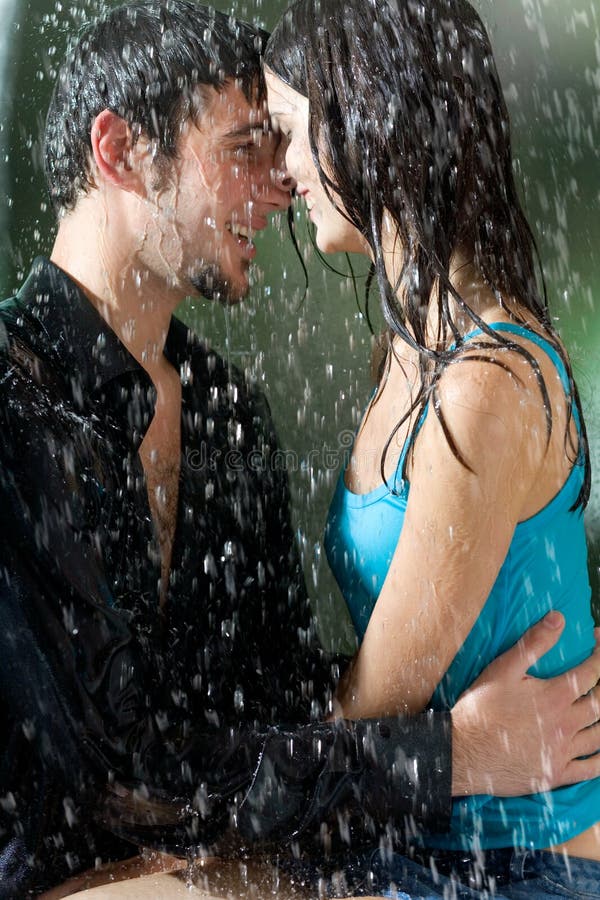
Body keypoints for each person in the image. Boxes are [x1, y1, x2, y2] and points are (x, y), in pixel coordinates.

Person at [1, 2, 600, 899]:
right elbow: (111, 772)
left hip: (317, 856)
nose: (279, 184)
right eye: (246, 147)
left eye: (282, 141)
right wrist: (448, 754)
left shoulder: (227, 415)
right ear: (119, 151)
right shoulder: (15, 405)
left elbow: (286, 702)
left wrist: (453, 739)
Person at [263, 0, 600, 895]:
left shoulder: (485, 384)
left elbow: (379, 705)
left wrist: (235, 791)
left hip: (526, 867)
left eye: (292, 132)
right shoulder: (415, 350)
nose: (283, 166)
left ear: (364, 121)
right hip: (425, 840)